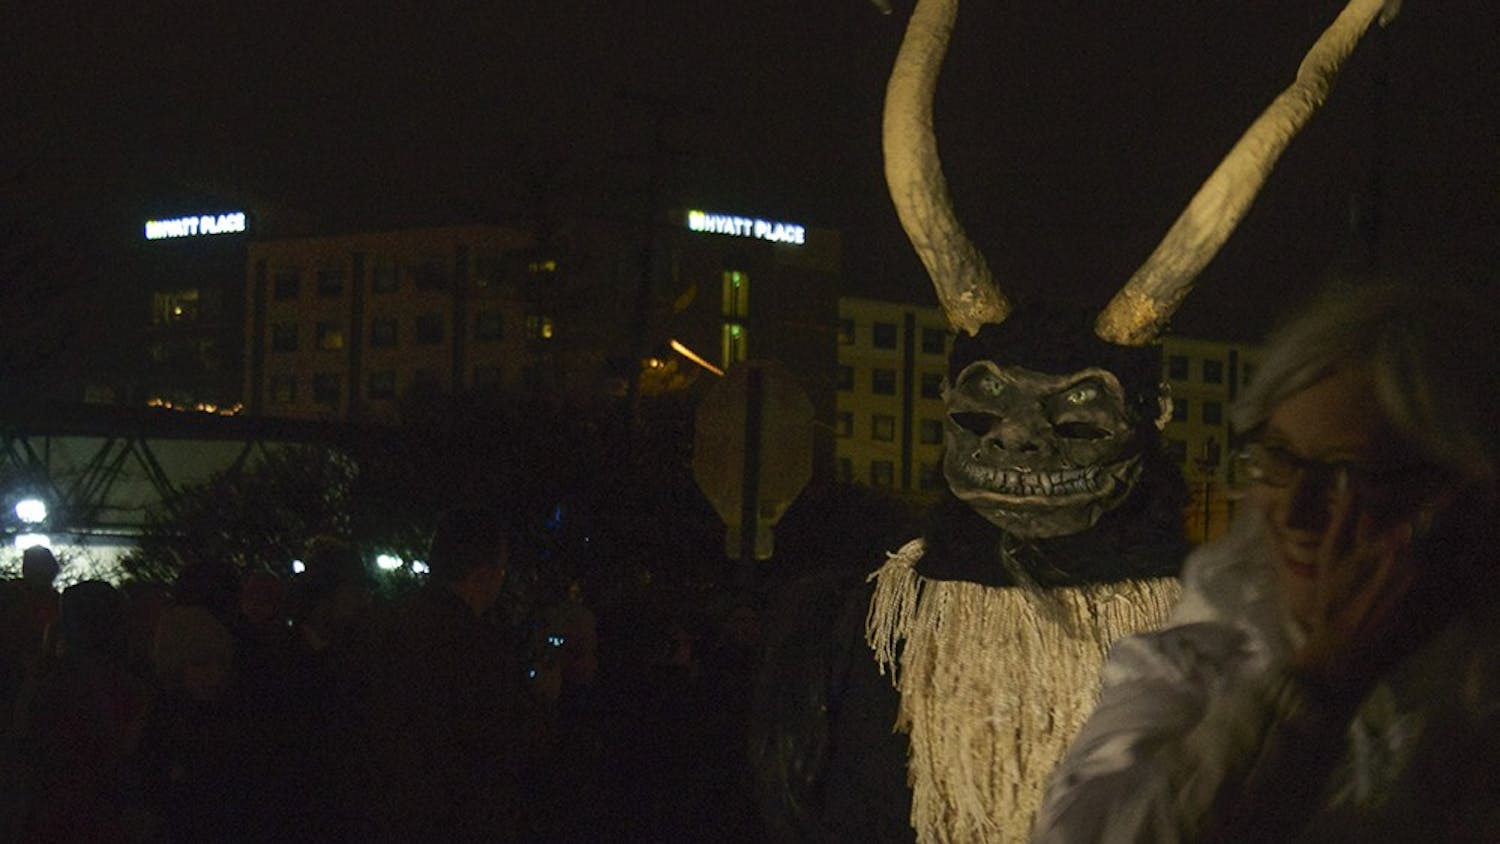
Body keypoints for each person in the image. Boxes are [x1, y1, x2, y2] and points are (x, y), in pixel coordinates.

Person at [1031, 282, 1500, 842]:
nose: (1295, 512)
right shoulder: (1190, 665)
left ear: (1461, 493)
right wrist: (1315, 687)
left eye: (1347, 473)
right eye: (1278, 457)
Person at [344, 507, 535, 842]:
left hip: (373, 815)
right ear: (483, 574)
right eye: (502, 569)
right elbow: (500, 754)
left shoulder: (376, 625)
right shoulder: (479, 649)